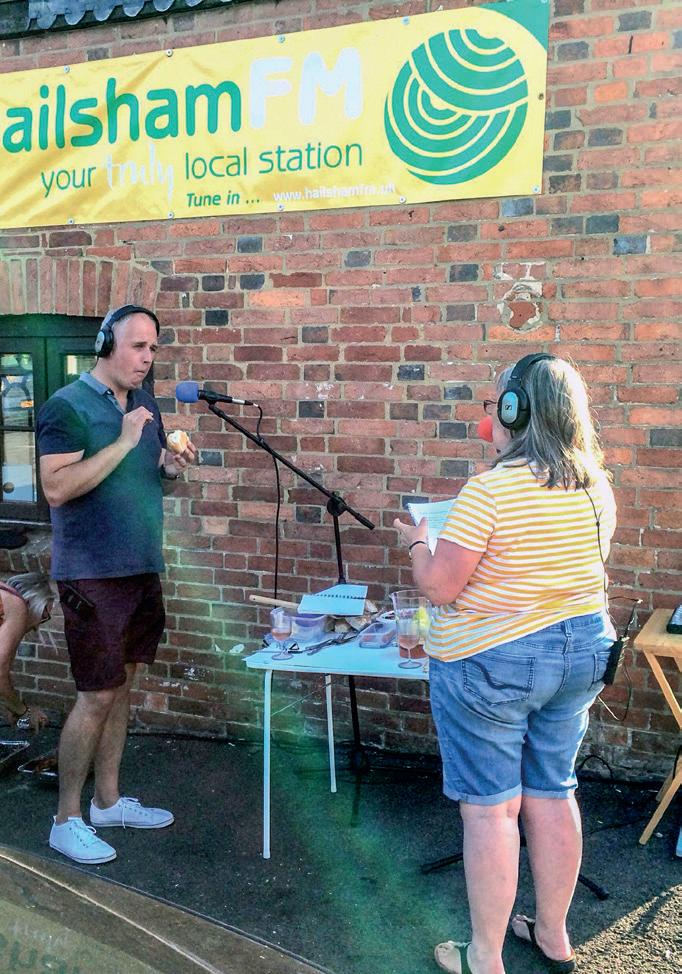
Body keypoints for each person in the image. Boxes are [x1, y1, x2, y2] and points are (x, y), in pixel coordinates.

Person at [394, 354, 617, 974]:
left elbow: (439, 586)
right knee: (553, 792)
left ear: (516, 410)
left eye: (496, 404)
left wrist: (417, 542)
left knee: (492, 809)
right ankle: (552, 936)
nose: (490, 416)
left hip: (492, 665)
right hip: (580, 656)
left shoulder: (489, 490)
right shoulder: (596, 486)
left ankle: (484, 957)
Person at [36, 305, 196, 866]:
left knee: (123, 687)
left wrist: (169, 470)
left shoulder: (145, 404)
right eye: (137, 346)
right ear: (106, 344)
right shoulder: (66, 406)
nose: (147, 358)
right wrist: (125, 443)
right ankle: (65, 820)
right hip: (92, 574)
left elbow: (149, 481)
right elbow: (56, 489)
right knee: (96, 694)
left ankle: (106, 803)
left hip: (140, 566)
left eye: (153, 348)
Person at [0, 572, 53, 731]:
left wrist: (11, 704)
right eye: (44, 616)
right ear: (31, 601)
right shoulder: (17, 604)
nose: (37, 627)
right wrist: (24, 712)